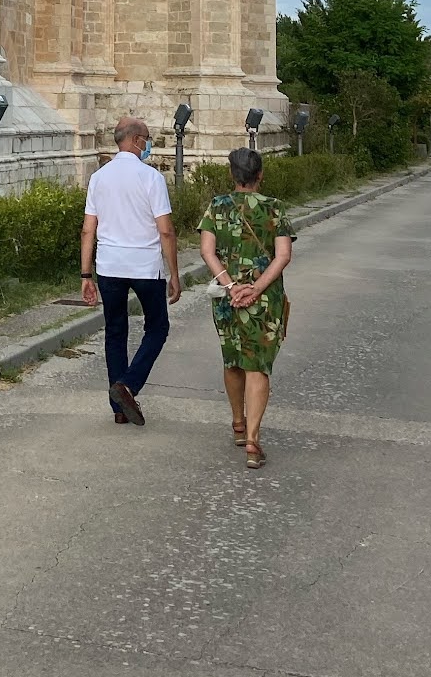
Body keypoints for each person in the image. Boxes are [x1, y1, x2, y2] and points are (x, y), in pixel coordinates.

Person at [198, 148, 296, 470]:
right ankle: (253, 441)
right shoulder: (275, 209)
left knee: (233, 359)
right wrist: (256, 287)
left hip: (227, 299)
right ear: (260, 175)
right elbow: (283, 256)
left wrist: (230, 286)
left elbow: (207, 252)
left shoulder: (217, 206)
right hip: (264, 299)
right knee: (258, 366)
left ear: (232, 175)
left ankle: (238, 425)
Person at [81, 116, 181, 426]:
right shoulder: (151, 178)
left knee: (115, 331)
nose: (148, 144)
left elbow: (88, 230)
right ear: (136, 139)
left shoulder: (99, 177)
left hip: (109, 265)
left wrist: (86, 275)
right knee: (157, 327)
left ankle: (119, 410)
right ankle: (128, 384)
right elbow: (165, 231)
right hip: (144, 265)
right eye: (147, 138)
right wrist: (173, 273)